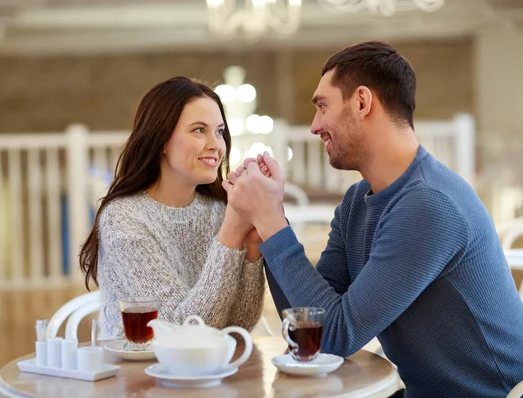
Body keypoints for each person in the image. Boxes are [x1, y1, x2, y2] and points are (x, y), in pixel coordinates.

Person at [223, 41, 523, 397]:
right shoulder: (356, 202)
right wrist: (267, 228)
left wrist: (271, 220)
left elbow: (334, 336)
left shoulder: (428, 204)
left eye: (322, 106)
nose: (314, 126)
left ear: (362, 102)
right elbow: (311, 326)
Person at [79, 76, 265, 339]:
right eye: (199, 130)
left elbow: (238, 327)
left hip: (207, 372)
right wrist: (231, 234)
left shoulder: (218, 212)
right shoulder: (124, 219)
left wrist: (253, 248)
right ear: (162, 140)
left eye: (220, 131)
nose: (215, 144)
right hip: (137, 374)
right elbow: (182, 334)